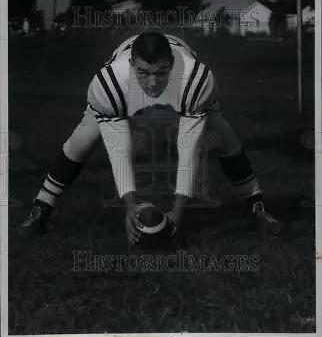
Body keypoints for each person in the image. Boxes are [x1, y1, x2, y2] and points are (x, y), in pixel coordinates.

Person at [18, 31, 281, 244]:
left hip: (184, 90)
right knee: (81, 141)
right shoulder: (111, 81)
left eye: (160, 72)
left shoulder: (194, 79)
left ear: (173, 65)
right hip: (122, 95)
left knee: (225, 137)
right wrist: (130, 205)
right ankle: (40, 210)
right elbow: (119, 150)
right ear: (132, 64)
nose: (153, 83)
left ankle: (258, 208)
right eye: (143, 73)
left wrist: (177, 213)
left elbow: (188, 150)